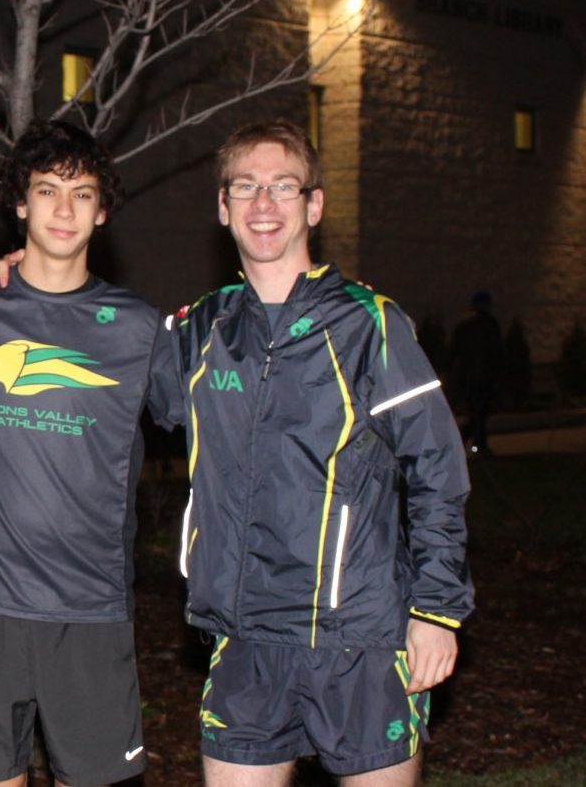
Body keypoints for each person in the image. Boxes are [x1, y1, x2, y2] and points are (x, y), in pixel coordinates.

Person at [173, 120, 474, 785]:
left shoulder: (370, 323)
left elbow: (438, 471)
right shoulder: (200, 330)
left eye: (284, 186)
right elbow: (95, 369)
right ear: (222, 206)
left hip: (358, 637)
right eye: (245, 186)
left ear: (314, 205)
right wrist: (13, 278)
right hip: (244, 638)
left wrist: (435, 610)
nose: (263, 203)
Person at [0, 121, 183, 787]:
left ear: (102, 212)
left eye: (82, 194)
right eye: (47, 190)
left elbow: (217, 421)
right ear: (21, 203)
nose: (64, 209)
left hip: (89, 607)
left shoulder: (138, 326)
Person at [449, 290, 503, 457]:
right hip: (482, 377)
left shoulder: (466, 326)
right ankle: (478, 445)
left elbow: (454, 351)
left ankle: (464, 442)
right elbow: (496, 352)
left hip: (470, 377)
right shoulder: (489, 325)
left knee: (476, 413)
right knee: (479, 413)